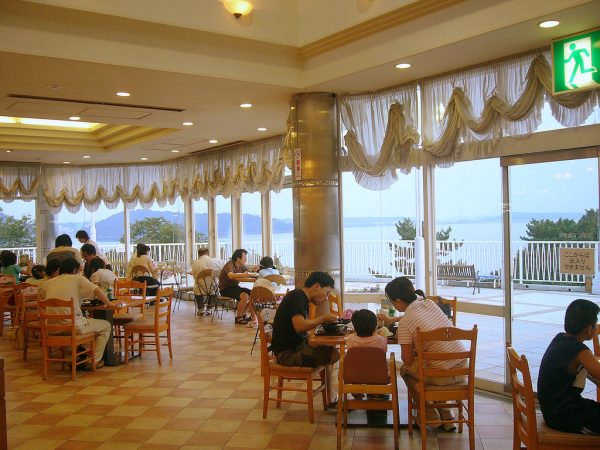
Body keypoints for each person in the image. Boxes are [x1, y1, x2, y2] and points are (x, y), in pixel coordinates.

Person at [385, 276, 465, 431]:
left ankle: (430, 414)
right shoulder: (430, 303)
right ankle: (448, 416)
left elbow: (407, 360)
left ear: (398, 301)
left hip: (441, 376)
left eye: (392, 301)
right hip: (462, 369)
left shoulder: (405, 323)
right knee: (427, 365)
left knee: (406, 370)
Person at [270, 271, 340, 406]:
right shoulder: (297, 297)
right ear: (316, 287)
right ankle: (331, 397)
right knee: (332, 354)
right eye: (327, 293)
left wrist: (314, 337)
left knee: (327, 351)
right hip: (287, 354)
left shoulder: (300, 297)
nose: (326, 298)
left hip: (292, 348)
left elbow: (298, 330)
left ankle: (330, 396)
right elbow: (299, 326)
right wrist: (322, 319)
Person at [537, 299, 600, 435]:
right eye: (596, 324)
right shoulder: (579, 350)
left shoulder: (560, 339)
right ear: (589, 329)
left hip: (554, 409)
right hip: (564, 415)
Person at [42, 257, 112, 368]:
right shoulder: (78, 279)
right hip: (73, 327)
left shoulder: (48, 283)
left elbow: (41, 299)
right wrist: (109, 304)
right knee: (106, 325)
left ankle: (78, 356)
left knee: (83, 321)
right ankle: (94, 360)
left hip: (51, 328)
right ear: (75, 269)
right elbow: (97, 290)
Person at [218, 249, 255, 325]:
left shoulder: (241, 266)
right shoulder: (229, 265)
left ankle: (243, 315)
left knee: (254, 295)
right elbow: (230, 275)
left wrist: (247, 272)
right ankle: (238, 317)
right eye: (244, 258)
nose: (246, 259)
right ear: (238, 258)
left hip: (235, 287)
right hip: (225, 288)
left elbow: (247, 271)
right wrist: (243, 274)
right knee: (245, 296)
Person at [191, 247, 225, 315]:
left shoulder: (195, 263)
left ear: (199, 254)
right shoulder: (216, 261)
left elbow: (194, 276)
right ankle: (209, 308)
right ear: (208, 253)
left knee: (197, 287)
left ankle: (201, 308)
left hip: (200, 288)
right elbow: (223, 269)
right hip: (213, 287)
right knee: (214, 290)